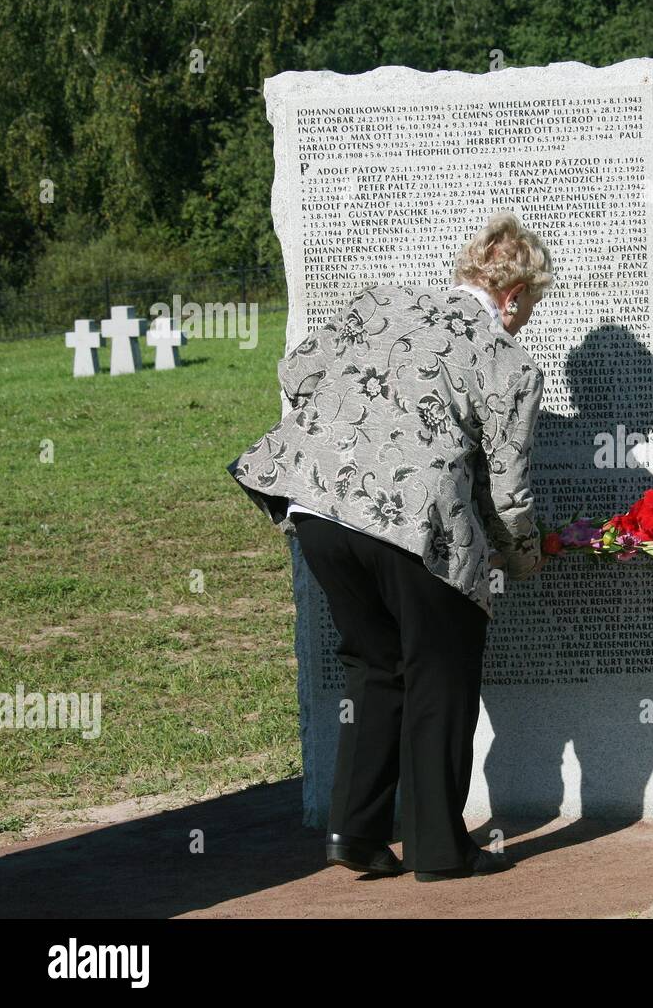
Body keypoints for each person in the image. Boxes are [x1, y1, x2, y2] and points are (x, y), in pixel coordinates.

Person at [227, 211, 553, 881]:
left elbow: (296, 372)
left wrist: (359, 433)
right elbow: (512, 490)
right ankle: (438, 847)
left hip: (319, 510)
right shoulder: (506, 360)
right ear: (513, 296)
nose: (524, 321)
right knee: (441, 671)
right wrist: (524, 557)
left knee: (375, 665)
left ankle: (356, 832)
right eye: (530, 307)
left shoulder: (379, 302)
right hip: (414, 526)